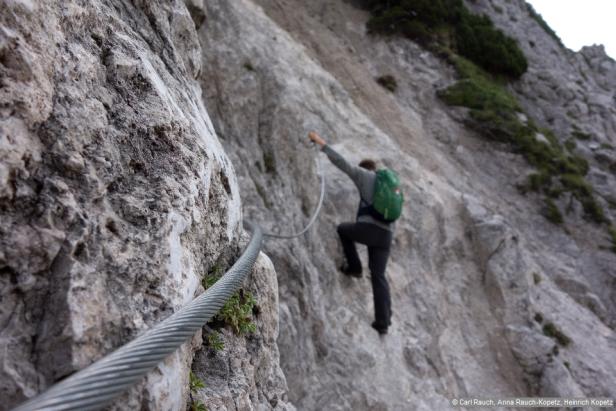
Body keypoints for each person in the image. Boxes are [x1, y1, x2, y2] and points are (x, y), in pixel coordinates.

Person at [308, 131, 395, 335]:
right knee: (379, 275)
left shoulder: (364, 176)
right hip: (386, 236)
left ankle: (354, 267)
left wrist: (322, 144)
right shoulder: (387, 186)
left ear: (365, 169)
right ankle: (383, 322)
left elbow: (342, 162)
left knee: (343, 230)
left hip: (369, 230)